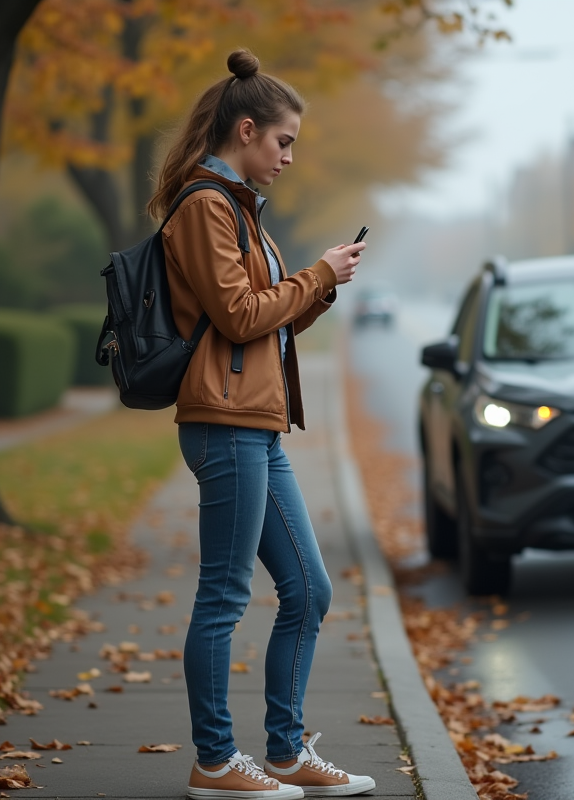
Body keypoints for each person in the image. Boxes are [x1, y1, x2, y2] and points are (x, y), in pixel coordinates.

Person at [148, 47, 373, 800]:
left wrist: (322, 283)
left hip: (254, 424)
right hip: (223, 422)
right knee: (225, 595)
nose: (287, 157)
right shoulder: (206, 206)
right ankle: (215, 761)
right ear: (246, 129)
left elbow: (266, 328)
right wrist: (312, 275)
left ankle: (283, 752)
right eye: (283, 143)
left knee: (308, 589)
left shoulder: (237, 207)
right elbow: (238, 315)